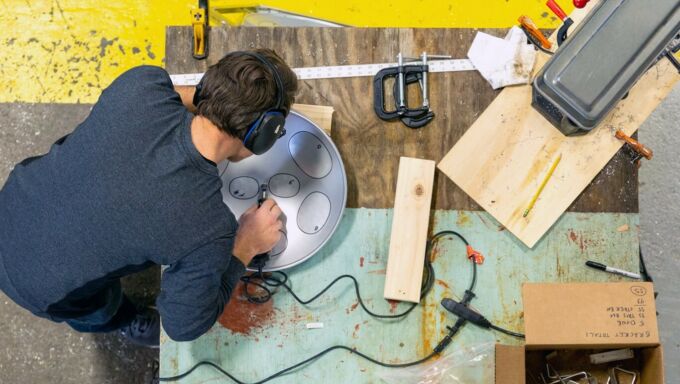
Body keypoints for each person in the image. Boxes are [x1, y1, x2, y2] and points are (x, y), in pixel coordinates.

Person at [0, 49, 298, 347]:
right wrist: (246, 245)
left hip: (12, 204)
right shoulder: (207, 227)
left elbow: (182, 96)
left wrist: (225, 101)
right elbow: (184, 326)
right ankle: (124, 319)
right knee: (99, 308)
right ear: (263, 137)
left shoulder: (141, 85)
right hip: (38, 285)